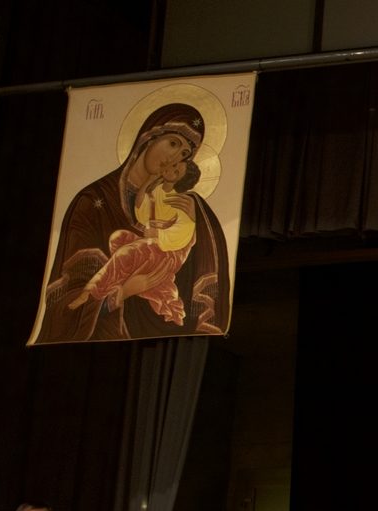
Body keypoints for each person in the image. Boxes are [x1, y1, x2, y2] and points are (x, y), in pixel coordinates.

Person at [35, 102, 231, 342]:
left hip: (169, 340)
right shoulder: (94, 201)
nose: (173, 158)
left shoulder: (186, 205)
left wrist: (194, 221)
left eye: (183, 155)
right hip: (104, 348)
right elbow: (63, 308)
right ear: (148, 138)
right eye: (172, 143)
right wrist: (125, 291)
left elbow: (200, 277)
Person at [65, 159, 203, 328]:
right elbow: (142, 215)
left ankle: (91, 291)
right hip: (153, 244)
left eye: (176, 172)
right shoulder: (158, 191)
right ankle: (150, 287)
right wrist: (148, 183)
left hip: (169, 254)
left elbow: (184, 233)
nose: (171, 168)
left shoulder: (181, 202)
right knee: (118, 238)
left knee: (126, 253)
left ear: (179, 181)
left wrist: (157, 233)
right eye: (174, 165)